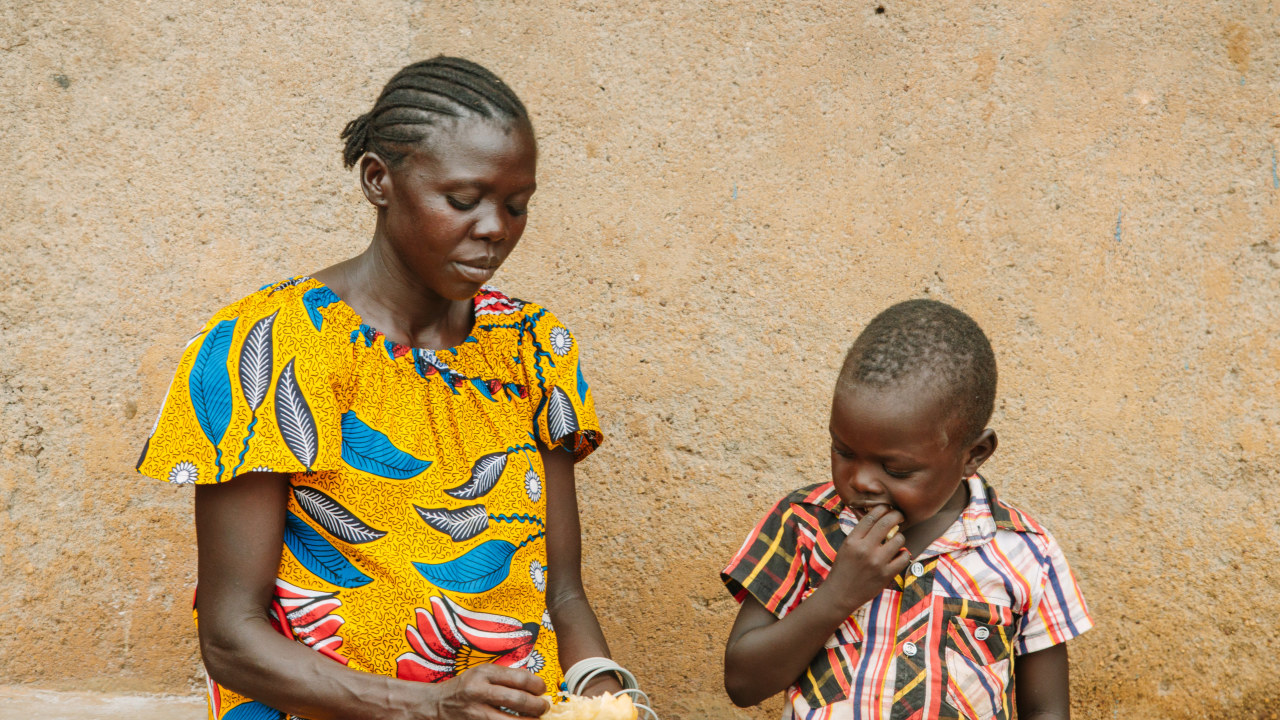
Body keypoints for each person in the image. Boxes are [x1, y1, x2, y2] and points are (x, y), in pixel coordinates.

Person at [137, 57, 628, 720]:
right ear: (378, 180)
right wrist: (427, 706)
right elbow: (230, 638)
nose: (495, 228)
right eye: (463, 200)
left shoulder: (531, 346)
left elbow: (562, 594)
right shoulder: (269, 346)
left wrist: (603, 688)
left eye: (517, 206)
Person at [721, 299, 1093, 720]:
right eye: (843, 451)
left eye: (895, 468)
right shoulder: (804, 524)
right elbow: (742, 683)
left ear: (974, 454)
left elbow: (1046, 710)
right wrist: (838, 595)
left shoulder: (1026, 554)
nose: (861, 480)